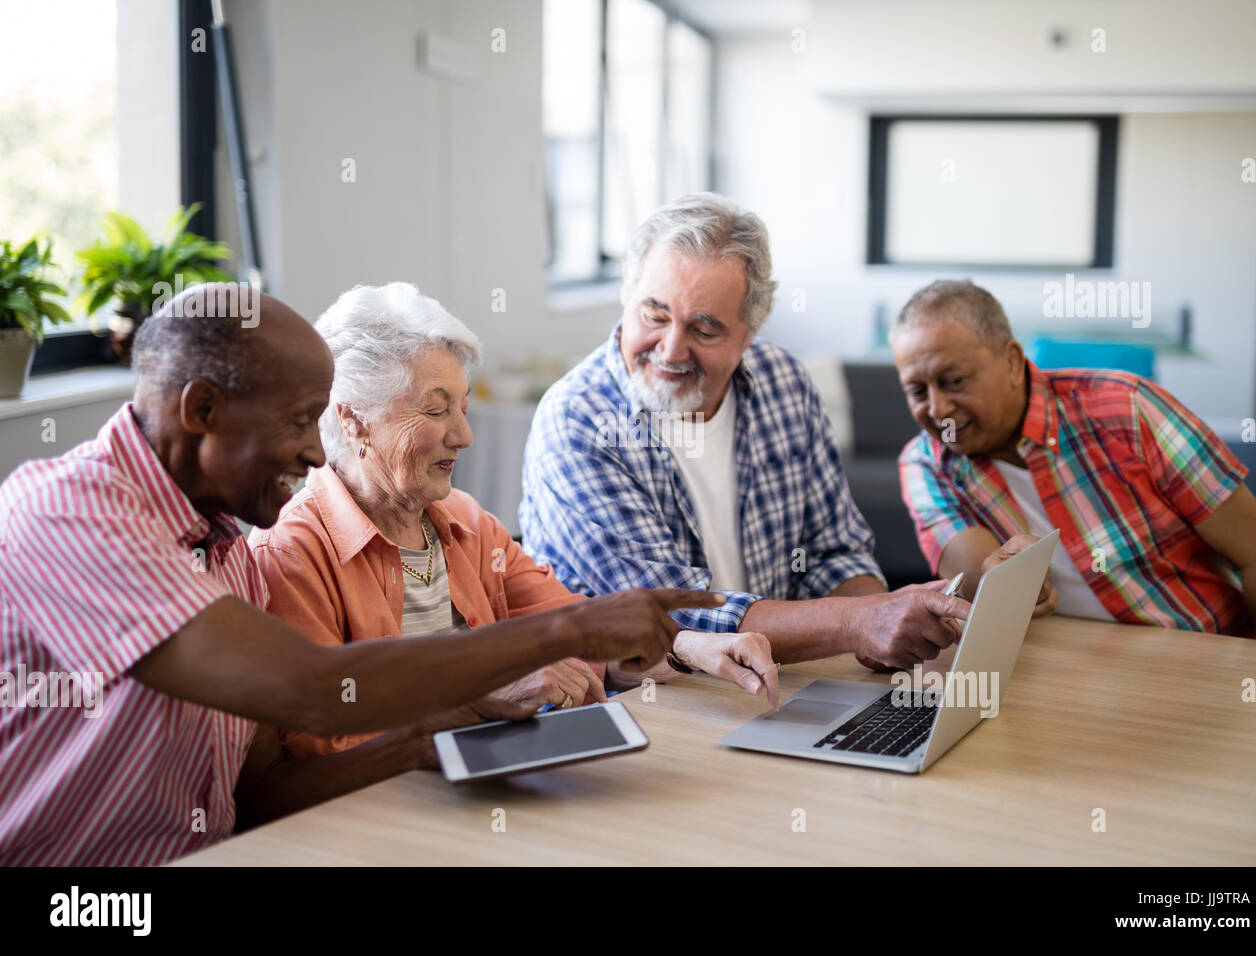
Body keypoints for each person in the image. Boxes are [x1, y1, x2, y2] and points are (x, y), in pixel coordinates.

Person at [0, 283, 713, 866]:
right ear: (203, 411)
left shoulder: (227, 556)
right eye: (301, 422)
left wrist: (435, 740)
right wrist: (569, 628)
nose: (317, 454)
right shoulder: (68, 510)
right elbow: (315, 689)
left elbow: (263, 798)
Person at [249, 282, 779, 759]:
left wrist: (692, 647)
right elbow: (317, 746)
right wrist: (475, 696)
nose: (463, 436)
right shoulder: (291, 553)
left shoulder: (465, 523)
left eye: (463, 408)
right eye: (436, 412)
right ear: (352, 419)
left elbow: (579, 629)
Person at [520, 193, 971, 678]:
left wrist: (875, 626)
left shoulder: (784, 382)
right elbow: (669, 613)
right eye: (654, 315)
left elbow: (832, 551)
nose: (671, 349)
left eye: (704, 328)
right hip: (644, 705)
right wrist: (856, 622)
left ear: (747, 335)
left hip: (775, 684)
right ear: (627, 300)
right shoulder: (578, 421)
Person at [891, 278, 1256, 643]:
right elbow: (981, 585)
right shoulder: (926, 464)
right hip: (1067, 676)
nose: (938, 408)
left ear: (1012, 362)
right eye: (917, 391)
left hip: (1202, 654)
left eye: (955, 381)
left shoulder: (1128, 408)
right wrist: (1006, 580)